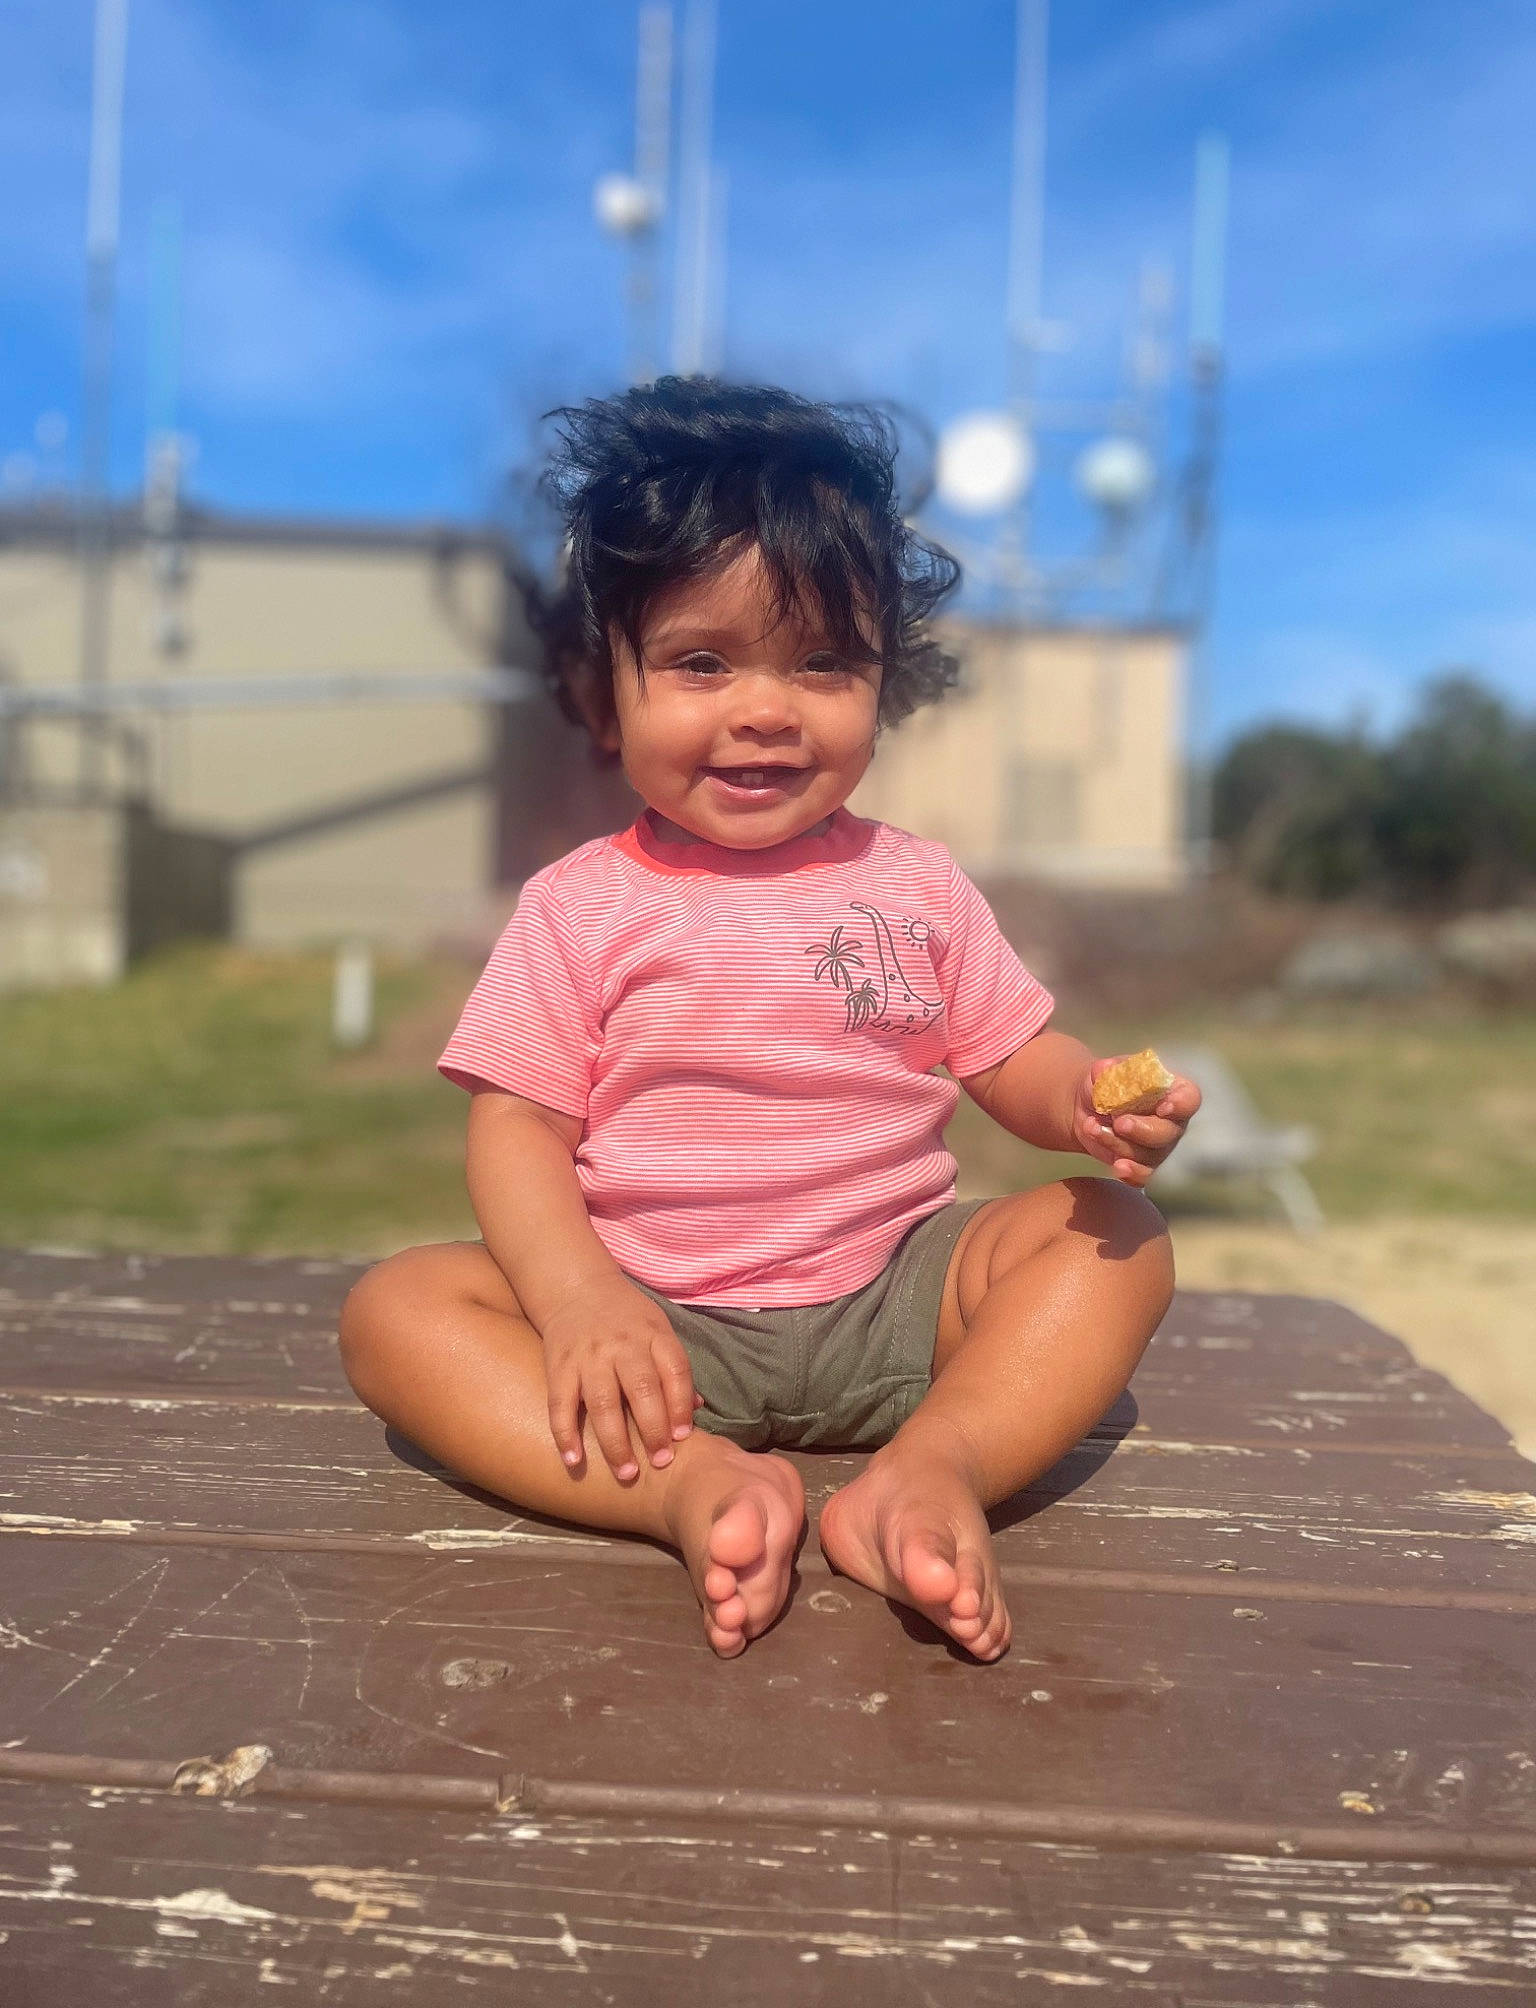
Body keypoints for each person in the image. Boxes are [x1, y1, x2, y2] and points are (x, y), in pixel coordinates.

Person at [340, 377, 1201, 1663]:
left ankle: (933, 1464)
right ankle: (690, 1485)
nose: (765, 706)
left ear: (882, 677)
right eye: (700, 661)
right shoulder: (583, 905)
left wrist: (1083, 1099)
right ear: (604, 683)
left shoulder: (915, 882)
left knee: (1116, 1238)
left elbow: (1012, 1052)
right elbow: (518, 1121)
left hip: (899, 1298)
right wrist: (578, 1298)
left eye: (822, 661)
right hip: (654, 1324)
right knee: (396, 1313)